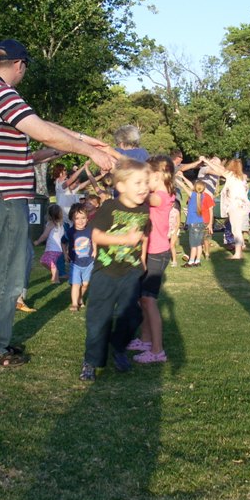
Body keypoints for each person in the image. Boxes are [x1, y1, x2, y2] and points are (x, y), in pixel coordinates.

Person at [0, 38, 117, 368]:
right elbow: (42, 130)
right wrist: (89, 151)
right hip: (2, 199)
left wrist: (83, 140)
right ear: (20, 65)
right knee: (5, 275)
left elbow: (42, 131)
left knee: (11, 270)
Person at [79, 158, 150, 381]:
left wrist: (143, 260)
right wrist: (124, 240)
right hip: (106, 271)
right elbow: (96, 236)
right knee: (99, 318)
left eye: (146, 183)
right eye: (138, 183)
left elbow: (145, 235)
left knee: (131, 315)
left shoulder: (145, 209)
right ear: (120, 187)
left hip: (131, 270)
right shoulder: (109, 206)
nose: (144, 188)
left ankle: (118, 346)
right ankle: (92, 361)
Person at [128, 155, 175, 364]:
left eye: (148, 176)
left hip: (158, 253)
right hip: (150, 252)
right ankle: (146, 341)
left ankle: (157, 351)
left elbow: (148, 198)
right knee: (143, 300)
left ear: (156, 175)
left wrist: (130, 184)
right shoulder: (160, 192)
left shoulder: (162, 196)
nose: (145, 181)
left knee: (149, 301)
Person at [202, 158, 250, 260]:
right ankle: (240, 250)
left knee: (236, 230)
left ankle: (238, 254)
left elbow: (220, 170)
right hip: (244, 206)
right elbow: (221, 169)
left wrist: (206, 161)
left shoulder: (231, 175)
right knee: (238, 229)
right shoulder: (242, 178)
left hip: (236, 206)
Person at [65, 203, 95, 312]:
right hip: (75, 263)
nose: (80, 221)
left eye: (83, 218)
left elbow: (95, 239)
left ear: (87, 218)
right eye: (77, 218)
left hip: (89, 262)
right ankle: (74, 304)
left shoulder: (90, 229)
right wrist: (65, 253)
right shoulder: (70, 231)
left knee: (86, 284)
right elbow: (63, 242)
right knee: (76, 284)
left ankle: (80, 298)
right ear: (72, 219)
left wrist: (95, 250)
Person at [177, 178, 213, 267]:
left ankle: (190, 262)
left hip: (193, 224)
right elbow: (190, 186)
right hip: (201, 223)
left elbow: (183, 185)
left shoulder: (192, 195)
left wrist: (175, 179)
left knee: (193, 245)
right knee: (199, 244)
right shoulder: (204, 196)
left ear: (194, 188)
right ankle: (197, 261)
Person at [33, 204, 66, 284]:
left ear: (49, 214)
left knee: (50, 262)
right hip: (58, 249)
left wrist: (37, 241)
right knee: (43, 261)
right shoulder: (61, 224)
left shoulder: (51, 224)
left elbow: (45, 235)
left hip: (53, 248)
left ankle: (56, 278)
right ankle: (55, 273)